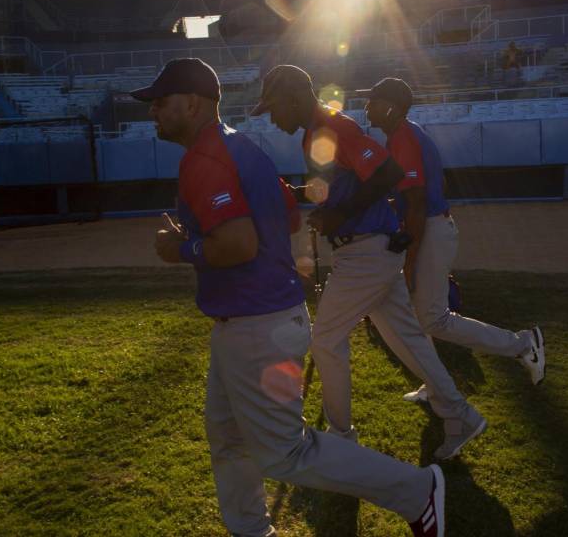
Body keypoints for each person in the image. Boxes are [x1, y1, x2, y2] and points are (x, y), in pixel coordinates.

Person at [137, 58, 447, 537]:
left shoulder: (206, 158)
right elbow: (288, 216)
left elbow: (240, 244)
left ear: (194, 103)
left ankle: (415, 489)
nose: (153, 111)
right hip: (254, 319)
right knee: (228, 437)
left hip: (256, 324)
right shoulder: (240, 147)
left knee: (286, 452)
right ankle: (251, 530)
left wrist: (181, 248)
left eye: (161, 102)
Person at [253, 64, 486, 461]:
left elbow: (386, 173)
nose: (273, 118)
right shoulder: (315, 131)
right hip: (366, 252)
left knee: (325, 341)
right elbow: (343, 184)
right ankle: (460, 414)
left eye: (274, 108)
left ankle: (341, 439)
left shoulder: (335, 126)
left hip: (365, 252)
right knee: (409, 340)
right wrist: (295, 193)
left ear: (294, 98)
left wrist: (340, 216)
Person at [363, 78, 546, 404]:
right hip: (432, 227)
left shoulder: (404, 137)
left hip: (429, 230)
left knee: (433, 318)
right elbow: (436, 184)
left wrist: (410, 259)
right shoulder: (405, 134)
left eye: (373, 100)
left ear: (390, 106)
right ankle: (434, 384)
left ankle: (522, 344)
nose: (366, 106)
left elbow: (418, 202)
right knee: (419, 315)